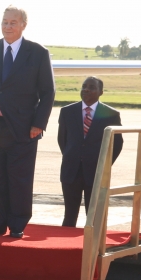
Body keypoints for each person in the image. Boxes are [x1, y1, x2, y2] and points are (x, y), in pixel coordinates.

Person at [0, 6, 55, 238]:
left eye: (13, 22)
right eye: (5, 22)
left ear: (23, 25)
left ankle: (17, 224)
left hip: (23, 129)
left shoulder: (37, 53)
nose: (8, 26)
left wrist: (39, 123)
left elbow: (48, 92)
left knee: (19, 179)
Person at [57, 77, 122, 227]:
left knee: (93, 217)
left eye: (91, 87)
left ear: (101, 92)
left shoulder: (110, 114)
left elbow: (117, 144)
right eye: (84, 86)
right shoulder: (67, 112)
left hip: (95, 171)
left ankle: (91, 248)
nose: (86, 89)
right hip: (70, 170)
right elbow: (63, 140)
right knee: (69, 216)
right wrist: (72, 156)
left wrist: (103, 165)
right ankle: (66, 246)